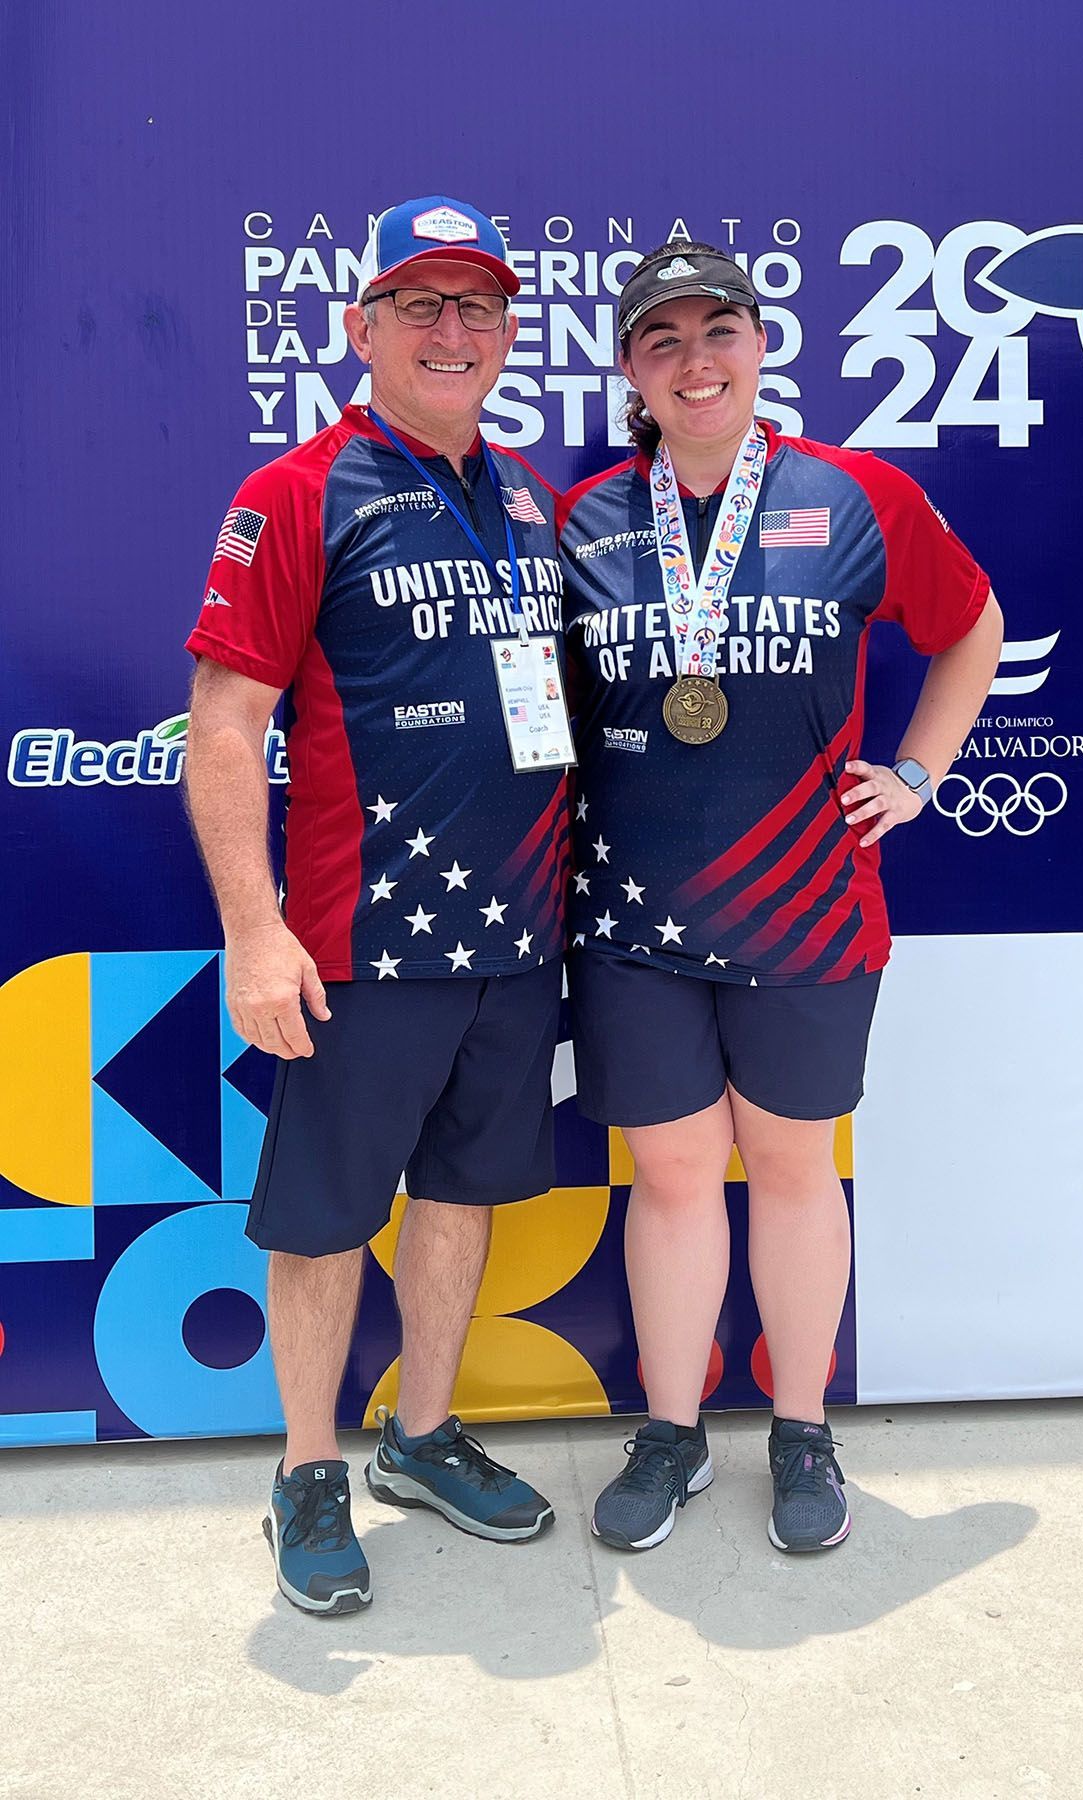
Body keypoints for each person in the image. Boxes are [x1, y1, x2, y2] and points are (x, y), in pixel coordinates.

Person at [558, 241, 1003, 1554]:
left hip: (809, 906)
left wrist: (917, 772)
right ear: (629, 371)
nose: (695, 362)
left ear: (759, 346)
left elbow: (969, 624)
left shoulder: (856, 497)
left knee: (795, 1166)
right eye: (662, 341)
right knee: (677, 1174)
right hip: (632, 918)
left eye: (718, 333)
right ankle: (671, 1431)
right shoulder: (582, 519)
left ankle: (801, 1430)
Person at [184, 195, 572, 1615]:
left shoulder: (527, 491)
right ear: (362, 330)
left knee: (464, 1198)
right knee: (326, 1221)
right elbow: (222, 727)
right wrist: (254, 926)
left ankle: (418, 1440)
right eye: (422, 306)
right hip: (361, 947)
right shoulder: (294, 493)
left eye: (478, 308)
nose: (453, 332)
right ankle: (303, 1472)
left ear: (510, 333)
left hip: (518, 938)